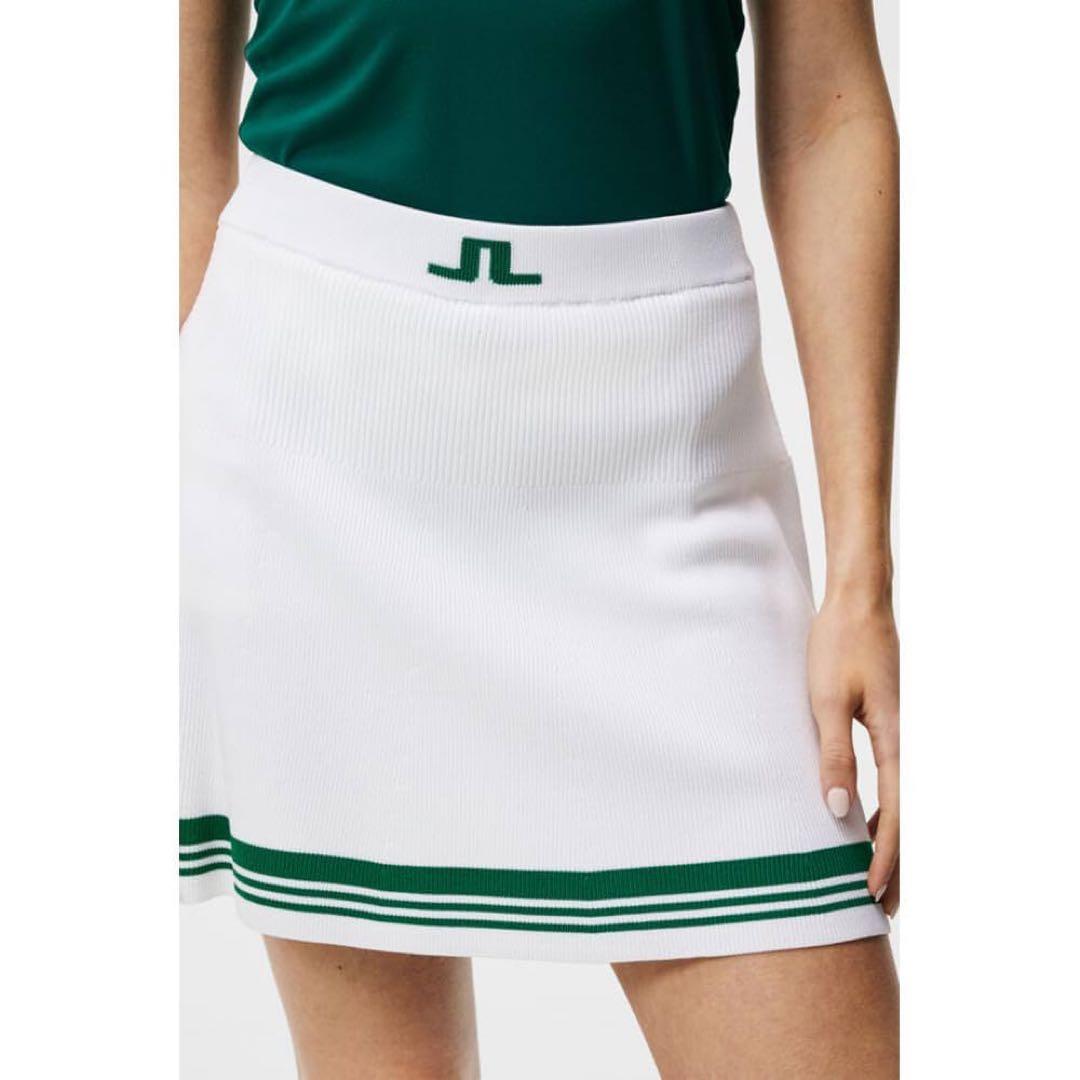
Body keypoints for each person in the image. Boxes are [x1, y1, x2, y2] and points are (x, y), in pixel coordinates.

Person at [180, 1, 899, 1075]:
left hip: (665, 445)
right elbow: (178, 129)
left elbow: (827, 112)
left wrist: (862, 582)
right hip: (317, 430)